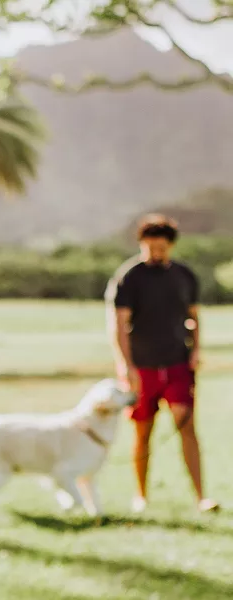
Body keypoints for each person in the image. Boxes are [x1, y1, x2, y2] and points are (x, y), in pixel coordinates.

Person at [106, 213, 218, 515]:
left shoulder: (184, 275)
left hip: (178, 364)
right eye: (150, 248)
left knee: (187, 427)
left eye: (162, 248)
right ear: (142, 244)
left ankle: (201, 497)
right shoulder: (129, 277)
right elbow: (118, 325)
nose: (156, 254)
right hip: (142, 366)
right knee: (143, 431)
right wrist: (125, 366)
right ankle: (141, 496)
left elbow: (194, 317)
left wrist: (196, 350)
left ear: (171, 246)